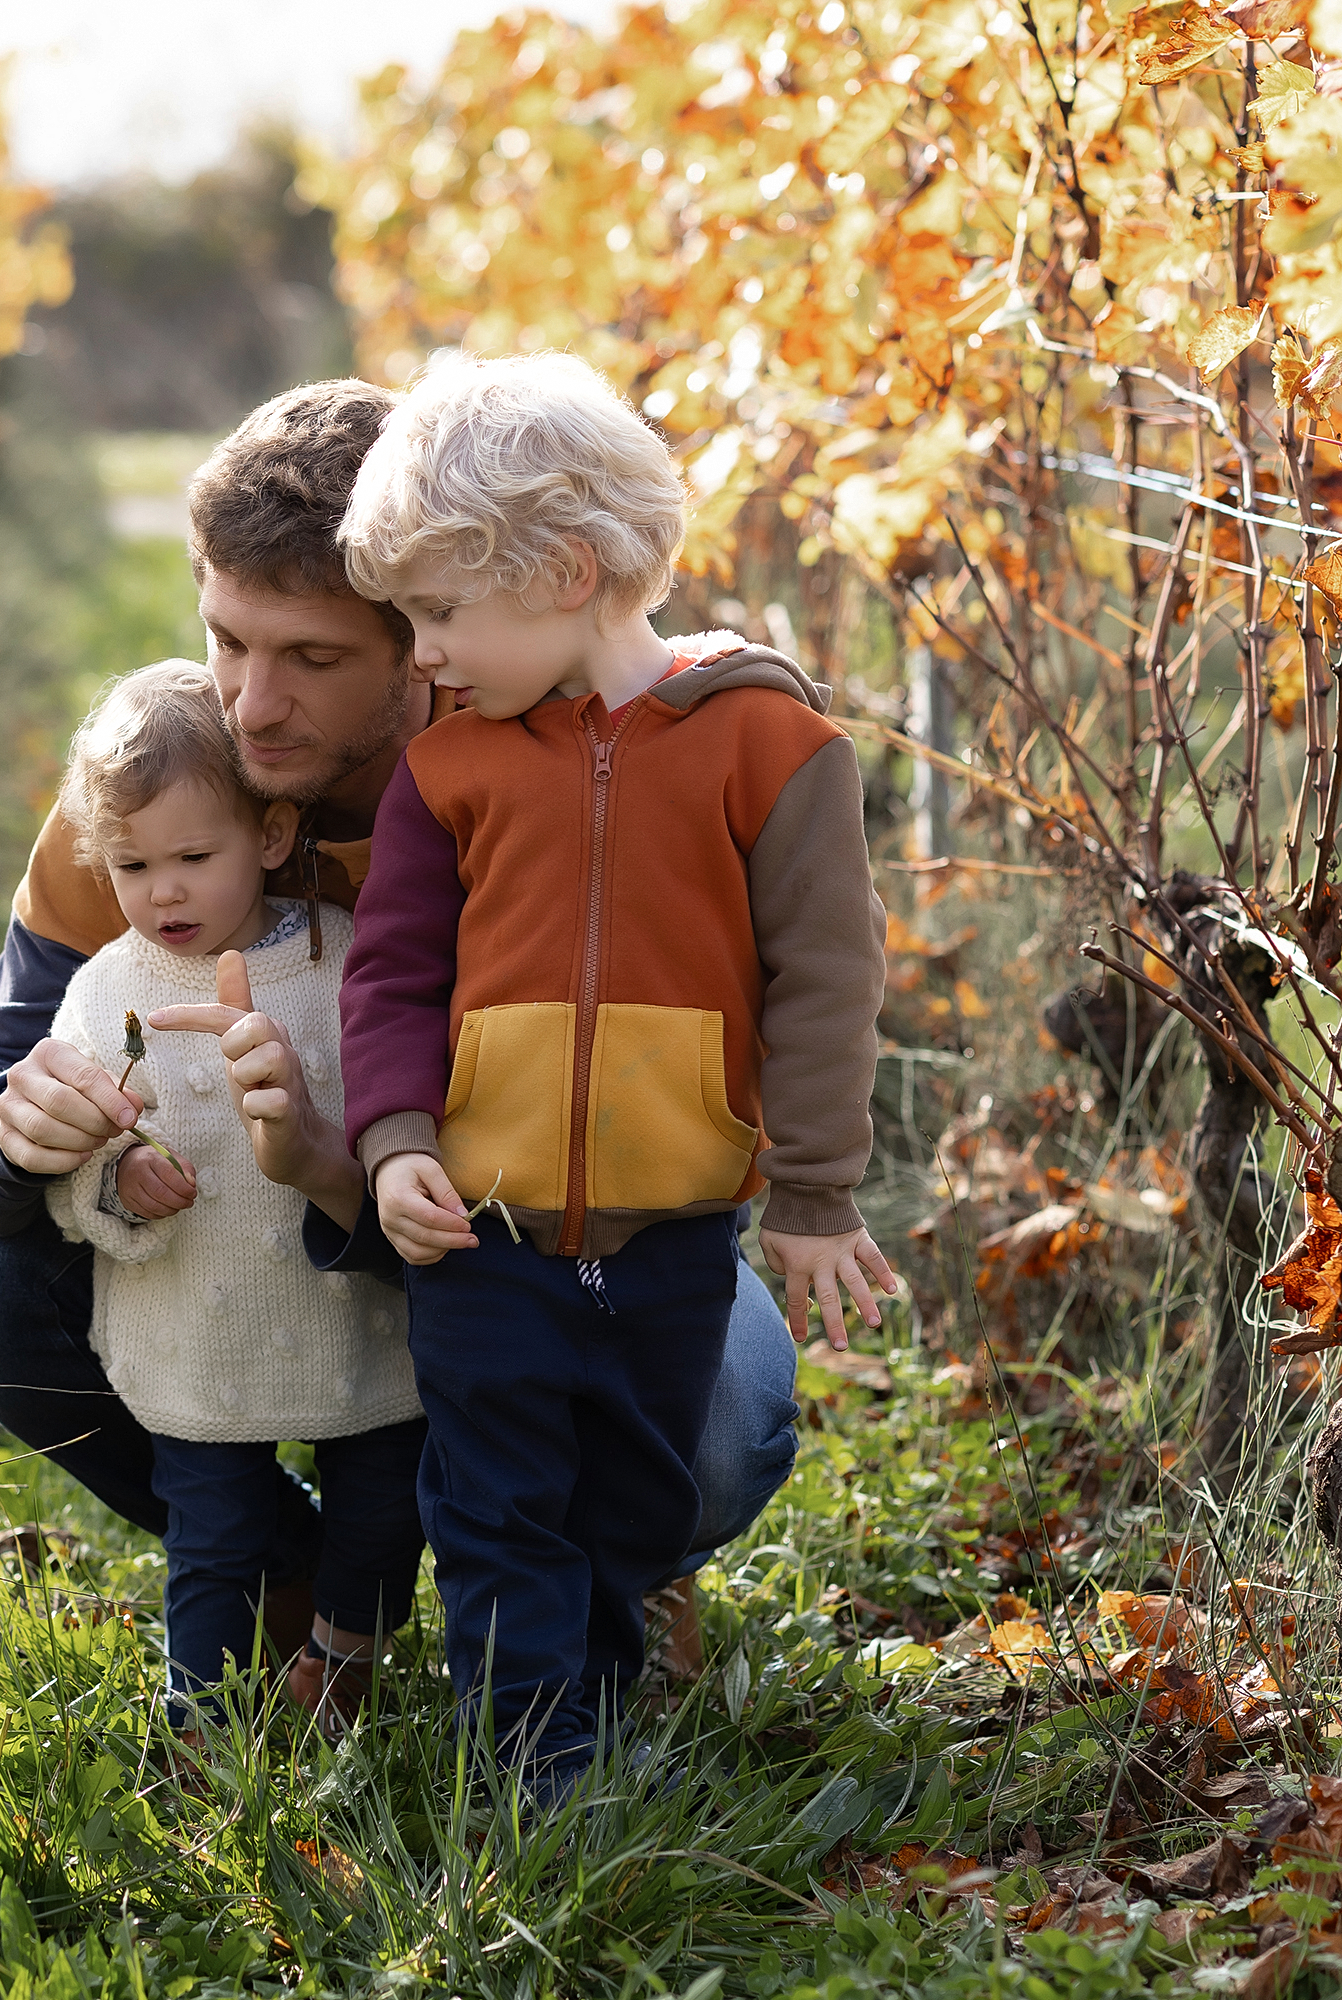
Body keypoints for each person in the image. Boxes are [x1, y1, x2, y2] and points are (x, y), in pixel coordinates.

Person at [0, 378, 803, 1676]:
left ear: (422, 646)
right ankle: (288, 1569)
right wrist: (10, 1124)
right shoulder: (151, 798)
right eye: (226, 640)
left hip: (514, 1236)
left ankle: (601, 1567)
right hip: (221, 1246)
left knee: (717, 1429)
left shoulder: (552, 787)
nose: (250, 705)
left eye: (312, 660)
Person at [335, 352, 895, 1799]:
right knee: (498, 1498)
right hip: (487, 1230)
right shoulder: (447, 772)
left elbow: (829, 977)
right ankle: (537, 1767)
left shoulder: (774, 748)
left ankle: (600, 1683)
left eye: (442, 613)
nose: (425, 654)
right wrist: (397, 1139)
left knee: (637, 1498)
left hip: (674, 1235)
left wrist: (818, 1188)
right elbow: (392, 973)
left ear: (569, 569)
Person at [40, 661, 425, 1734]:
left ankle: (344, 1663)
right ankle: (201, 1726)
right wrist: (116, 1178)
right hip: (193, 1330)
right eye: (130, 864)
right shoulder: (108, 993)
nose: (162, 891)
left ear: (268, 834)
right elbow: (80, 1140)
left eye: (192, 858)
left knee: (381, 1509)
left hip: (356, 1318)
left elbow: (397, 1098)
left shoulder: (339, 960)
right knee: (212, 1535)